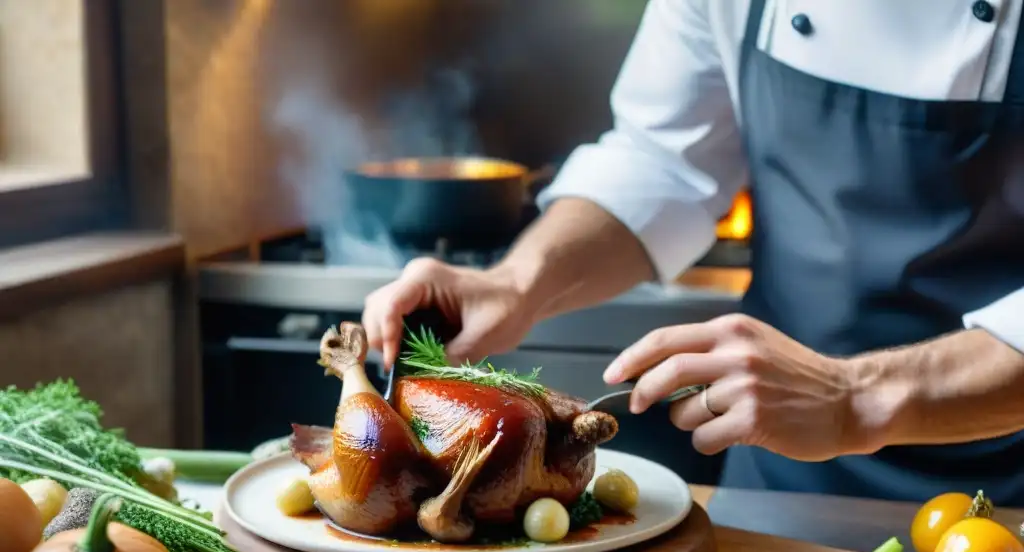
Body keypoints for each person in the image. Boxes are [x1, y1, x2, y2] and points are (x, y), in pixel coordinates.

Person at [362, 0, 1024, 505]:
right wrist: (516, 283)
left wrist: (856, 398)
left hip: (1006, 488)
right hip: (780, 473)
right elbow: (663, 159)